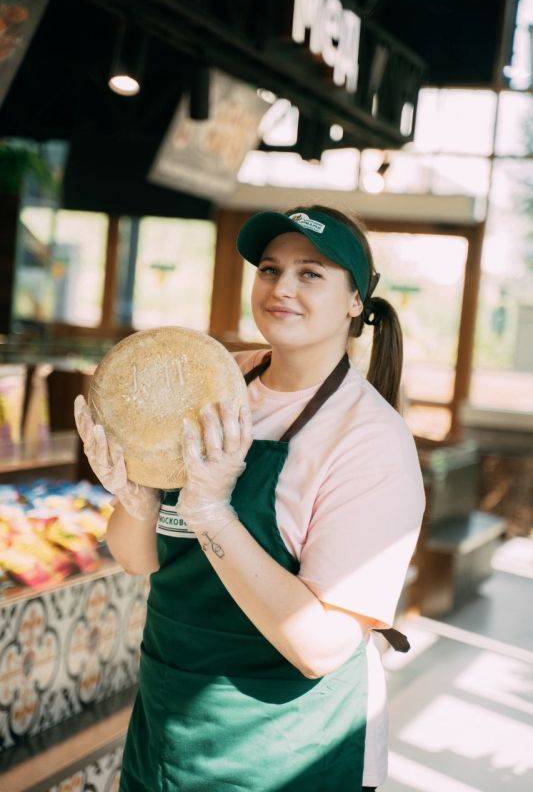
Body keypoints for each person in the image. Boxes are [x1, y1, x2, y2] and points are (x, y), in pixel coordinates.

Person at [74, 204, 426, 791]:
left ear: (355, 301)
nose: (281, 287)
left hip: (285, 748)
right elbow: (140, 560)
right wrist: (134, 498)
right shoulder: (212, 381)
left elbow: (321, 647)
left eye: (310, 273)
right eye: (269, 269)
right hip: (170, 723)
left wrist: (212, 512)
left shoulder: (370, 441)